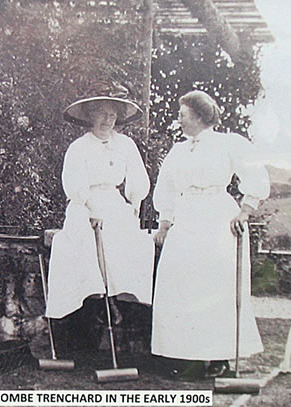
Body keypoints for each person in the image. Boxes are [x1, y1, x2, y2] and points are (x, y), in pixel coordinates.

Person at [152, 90, 270, 378]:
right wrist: (165, 222)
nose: (179, 119)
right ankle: (184, 356)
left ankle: (220, 356)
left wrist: (244, 211)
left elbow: (256, 176)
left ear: (200, 116)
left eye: (183, 114)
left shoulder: (227, 143)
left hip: (217, 217)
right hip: (186, 217)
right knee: (181, 284)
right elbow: (166, 187)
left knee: (215, 286)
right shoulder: (178, 150)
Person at [45, 81, 154, 326]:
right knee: (84, 244)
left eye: (113, 115)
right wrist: (89, 210)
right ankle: (94, 302)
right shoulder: (79, 147)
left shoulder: (126, 145)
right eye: (103, 114)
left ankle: (119, 300)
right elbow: (75, 186)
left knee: (133, 242)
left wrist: (134, 205)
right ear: (92, 116)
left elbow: (137, 179)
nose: (108, 120)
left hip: (114, 203)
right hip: (85, 206)